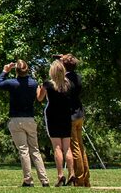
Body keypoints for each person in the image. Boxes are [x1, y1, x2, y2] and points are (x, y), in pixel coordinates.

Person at [0, 61, 48, 187]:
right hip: (30, 119)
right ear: (27, 70)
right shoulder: (33, 83)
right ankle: (44, 180)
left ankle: (28, 180)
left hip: (16, 119)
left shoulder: (12, 83)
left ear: (16, 71)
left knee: (23, 150)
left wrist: (5, 71)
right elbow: (39, 97)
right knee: (35, 150)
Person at [37, 60, 74, 187]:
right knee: (67, 147)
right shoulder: (68, 84)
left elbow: (40, 98)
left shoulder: (48, 84)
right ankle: (72, 173)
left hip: (53, 116)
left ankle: (60, 175)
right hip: (66, 116)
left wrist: (38, 89)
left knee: (57, 147)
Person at [61, 56, 89, 189]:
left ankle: (79, 178)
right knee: (81, 147)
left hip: (70, 116)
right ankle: (86, 178)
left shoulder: (65, 80)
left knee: (75, 148)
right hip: (79, 114)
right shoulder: (77, 77)